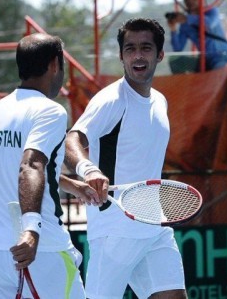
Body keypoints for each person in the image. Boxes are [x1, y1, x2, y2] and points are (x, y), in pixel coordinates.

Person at [64, 18, 187, 299]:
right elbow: (73, 139)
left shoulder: (160, 101)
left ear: (160, 55)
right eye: (130, 49)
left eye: (146, 48)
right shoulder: (111, 100)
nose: (138, 55)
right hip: (114, 232)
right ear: (121, 56)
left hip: (154, 227)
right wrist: (88, 170)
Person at [0, 33, 93, 298]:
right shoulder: (51, 111)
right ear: (55, 64)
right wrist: (31, 231)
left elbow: (14, 165)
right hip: (40, 251)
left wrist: (71, 185)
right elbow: (31, 165)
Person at [165, 0, 227, 72]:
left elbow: (209, 24)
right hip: (204, 60)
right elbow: (178, 48)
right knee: (176, 62)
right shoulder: (185, 24)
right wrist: (173, 29)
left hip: (221, 56)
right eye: (186, 0)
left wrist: (187, 18)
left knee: (219, 71)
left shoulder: (212, 11)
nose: (189, 1)